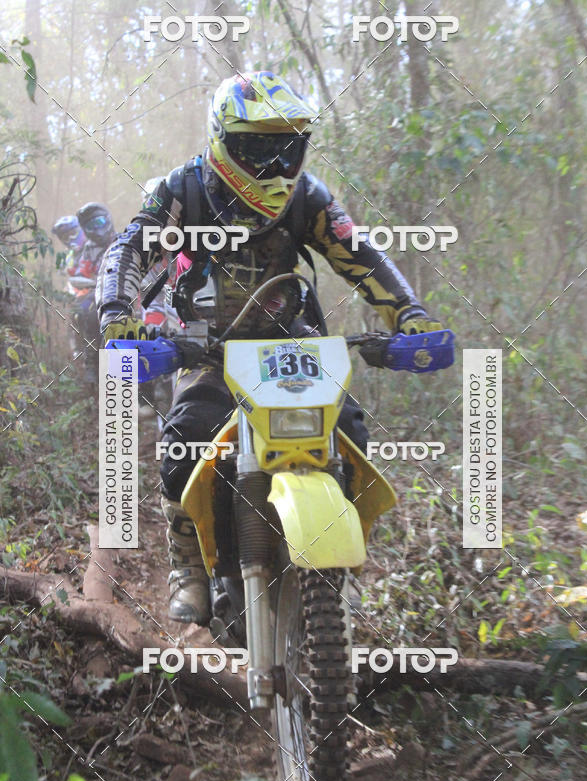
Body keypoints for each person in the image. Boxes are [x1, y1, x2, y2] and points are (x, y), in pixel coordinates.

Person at [96, 71, 447, 625]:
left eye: (287, 148)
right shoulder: (182, 191)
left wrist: (409, 315)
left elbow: (360, 256)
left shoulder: (307, 197)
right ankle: (188, 563)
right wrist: (118, 317)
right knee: (187, 435)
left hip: (289, 346)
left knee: (349, 430)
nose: (276, 165)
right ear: (223, 141)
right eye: (258, 149)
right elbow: (128, 249)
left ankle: (339, 562)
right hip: (205, 348)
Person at [74, 203, 116, 383]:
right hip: (100, 293)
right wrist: (93, 282)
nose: (97, 229)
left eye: (99, 222)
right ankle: (91, 361)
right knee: (87, 313)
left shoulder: (125, 241)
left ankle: (153, 382)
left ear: (107, 220)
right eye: (91, 225)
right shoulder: (89, 249)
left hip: (129, 294)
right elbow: (81, 274)